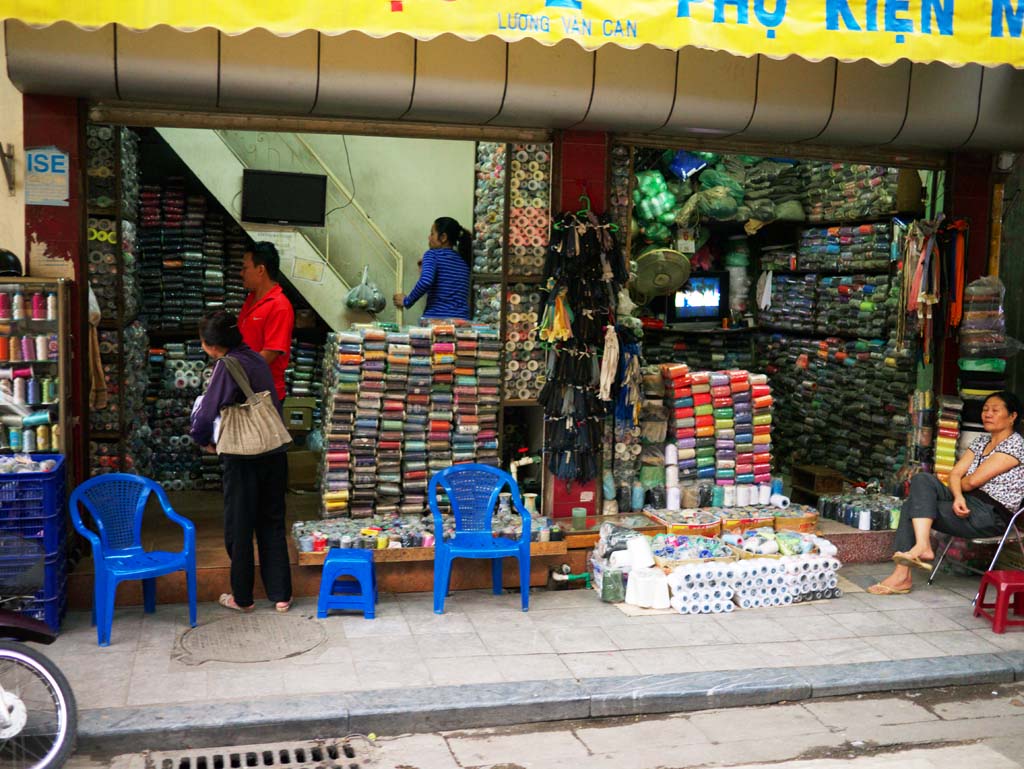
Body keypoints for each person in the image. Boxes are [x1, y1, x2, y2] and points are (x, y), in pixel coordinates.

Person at [869, 391, 1024, 595]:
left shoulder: (1016, 445)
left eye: (995, 410)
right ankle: (922, 545)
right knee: (922, 479)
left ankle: (902, 575)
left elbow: (972, 481)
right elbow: (955, 474)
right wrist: (958, 496)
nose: (987, 414)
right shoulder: (981, 442)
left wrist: (961, 487)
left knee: (911, 505)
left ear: (1012, 416)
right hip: (965, 501)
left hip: (989, 514)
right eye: (985, 409)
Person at [190, 311, 293, 613]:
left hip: (243, 456)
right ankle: (281, 595)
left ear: (209, 344)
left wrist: (203, 439)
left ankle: (242, 598)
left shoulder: (226, 366)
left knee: (240, 525)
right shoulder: (258, 360)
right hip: (272, 450)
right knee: (272, 523)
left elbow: (206, 414)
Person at [238, 241, 294, 401]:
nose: (241, 273)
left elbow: (270, 353)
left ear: (261, 269)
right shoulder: (250, 300)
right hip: (247, 389)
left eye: (245, 268)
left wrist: (236, 372)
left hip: (266, 395)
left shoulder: (279, 306)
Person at [393, 217, 471, 320]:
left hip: (436, 321)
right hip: (462, 322)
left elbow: (426, 281)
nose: (429, 238)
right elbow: (447, 284)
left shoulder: (432, 254)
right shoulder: (464, 260)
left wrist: (407, 301)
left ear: (443, 237)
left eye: (432, 234)